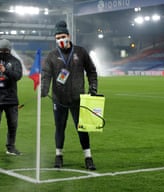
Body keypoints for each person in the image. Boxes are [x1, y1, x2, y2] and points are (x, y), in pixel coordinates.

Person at [41, 21, 98, 170]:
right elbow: (46, 74)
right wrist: (44, 89)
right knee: (59, 128)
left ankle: (88, 157)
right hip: (58, 100)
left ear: (69, 36)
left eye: (63, 36)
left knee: (82, 129)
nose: (60, 39)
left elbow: (92, 70)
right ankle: (58, 156)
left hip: (78, 99)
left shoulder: (80, 52)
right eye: (57, 37)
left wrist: (93, 86)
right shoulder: (52, 56)